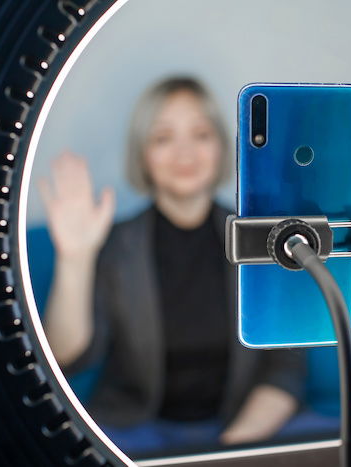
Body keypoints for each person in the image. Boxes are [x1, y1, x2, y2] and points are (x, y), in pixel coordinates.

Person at [39, 76, 306, 454]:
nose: (185, 153)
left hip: (243, 429)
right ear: (143, 154)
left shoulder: (265, 238)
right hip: (137, 429)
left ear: (221, 146)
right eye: (163, 137)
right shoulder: (116, 245)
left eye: (200, 134)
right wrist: (75, 258)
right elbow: (67, 356)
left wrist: (230, 451)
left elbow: (286, 368)